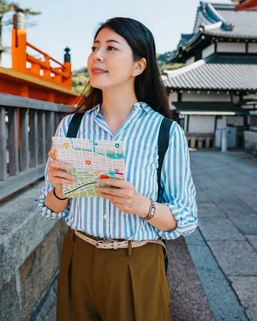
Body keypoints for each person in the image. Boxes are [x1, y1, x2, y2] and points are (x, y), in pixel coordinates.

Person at [38, 17, 198, 321]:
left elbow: (186, 217)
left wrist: (140, 205)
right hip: (78, 254)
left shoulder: (164, 132)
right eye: (95, 47)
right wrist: (59, 188)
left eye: (111, 48)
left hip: (136, 261)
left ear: (138, 66)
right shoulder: (71, 126)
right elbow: (50, 207)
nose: (97, 55)